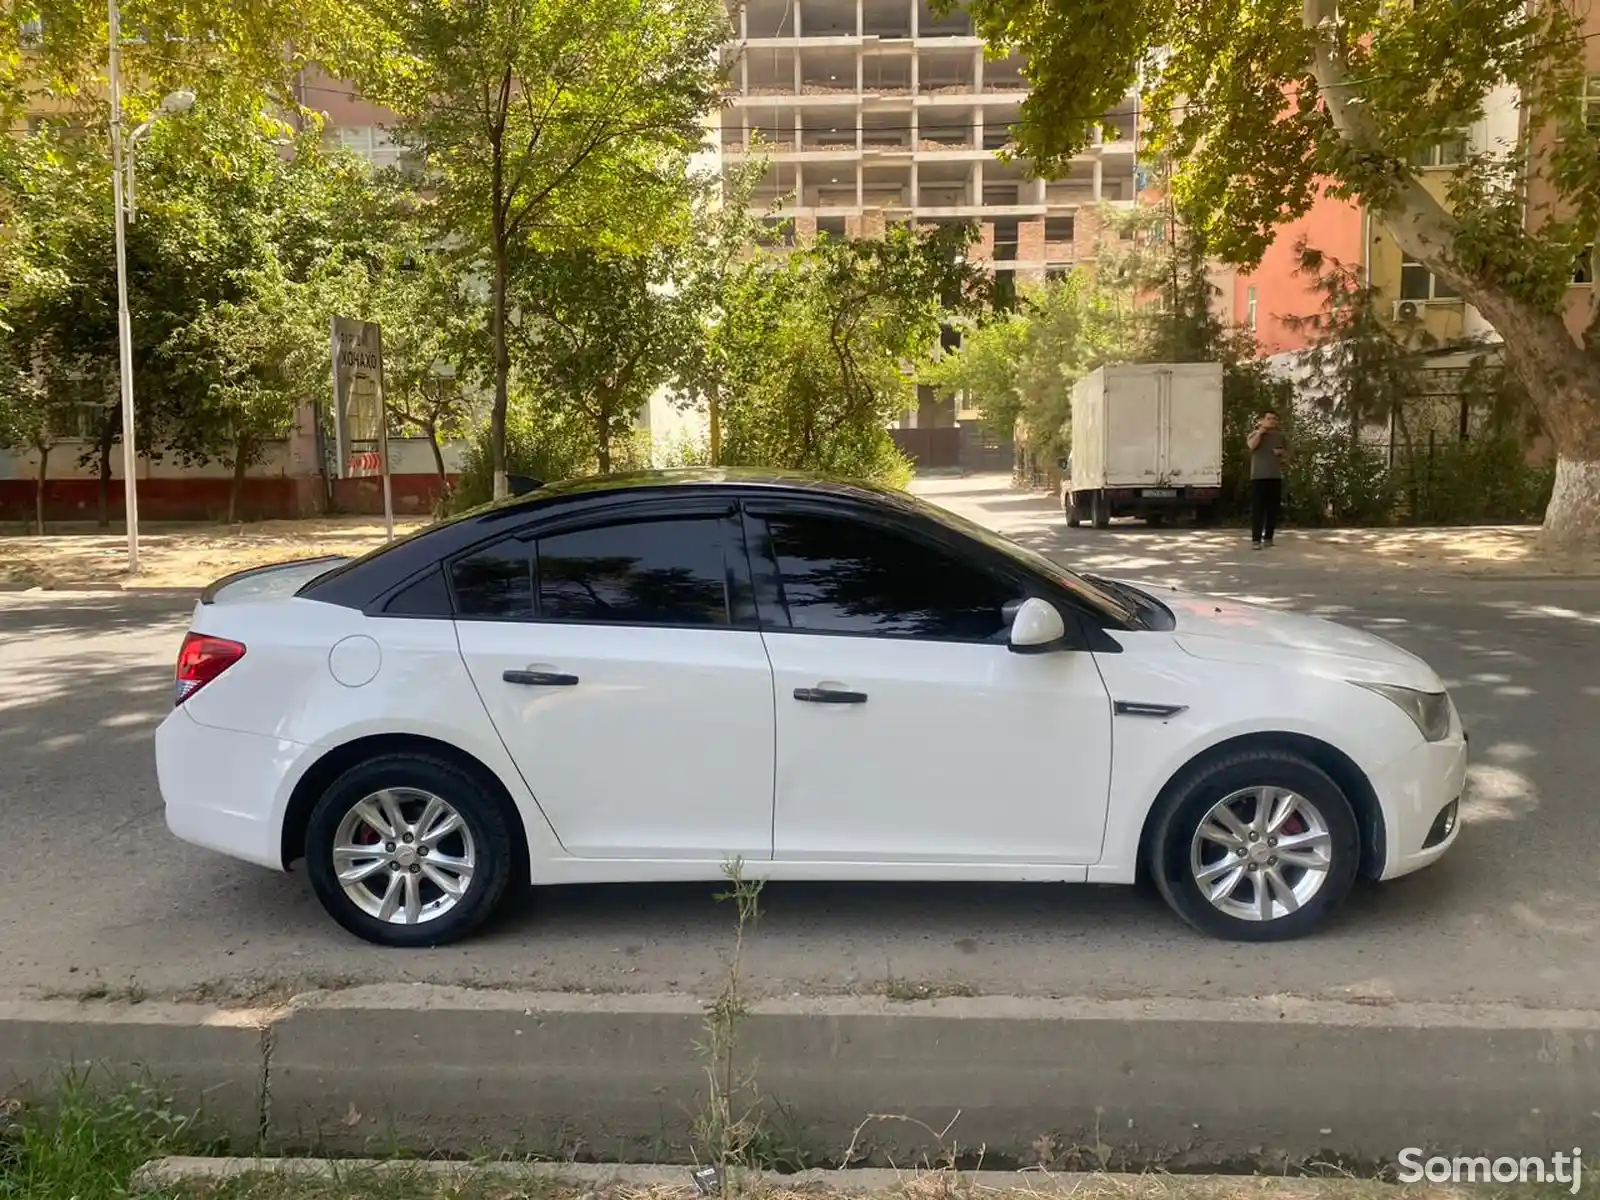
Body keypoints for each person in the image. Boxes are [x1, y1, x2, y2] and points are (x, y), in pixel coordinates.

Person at [1246, 409, 1289, 548]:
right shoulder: (1254, 434)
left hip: (1275, 476)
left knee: (1272, 509)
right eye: (1269, 418)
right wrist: (1260, 432)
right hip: (1258, 476)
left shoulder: (1280, 436)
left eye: (1274, 419)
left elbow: (1290, 453)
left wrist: (1282, 452)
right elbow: (1252, 446)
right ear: (1261, 420)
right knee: (1258, 509)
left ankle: (1268, 538)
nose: (1272, 421)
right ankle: (1256, 540)